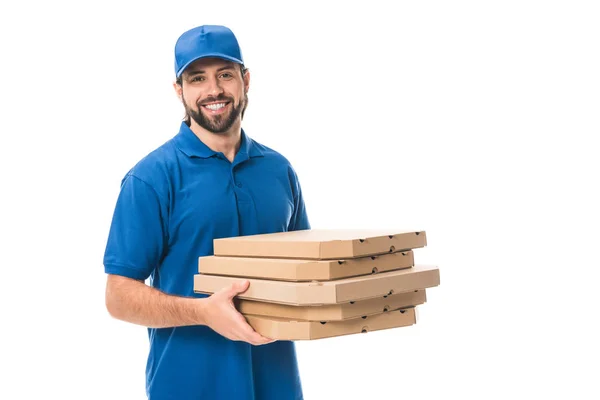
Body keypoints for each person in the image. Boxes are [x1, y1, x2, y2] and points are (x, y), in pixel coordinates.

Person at [103, 24, 310, 400]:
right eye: (197, 78)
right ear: (179, 91)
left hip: (277, 386)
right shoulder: (151, 178)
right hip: (187, 387)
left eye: (225, 75)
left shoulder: (279, 171)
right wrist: (202, 312)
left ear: (245, 80)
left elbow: (307, 273)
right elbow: (118, 297)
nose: (213, 90)